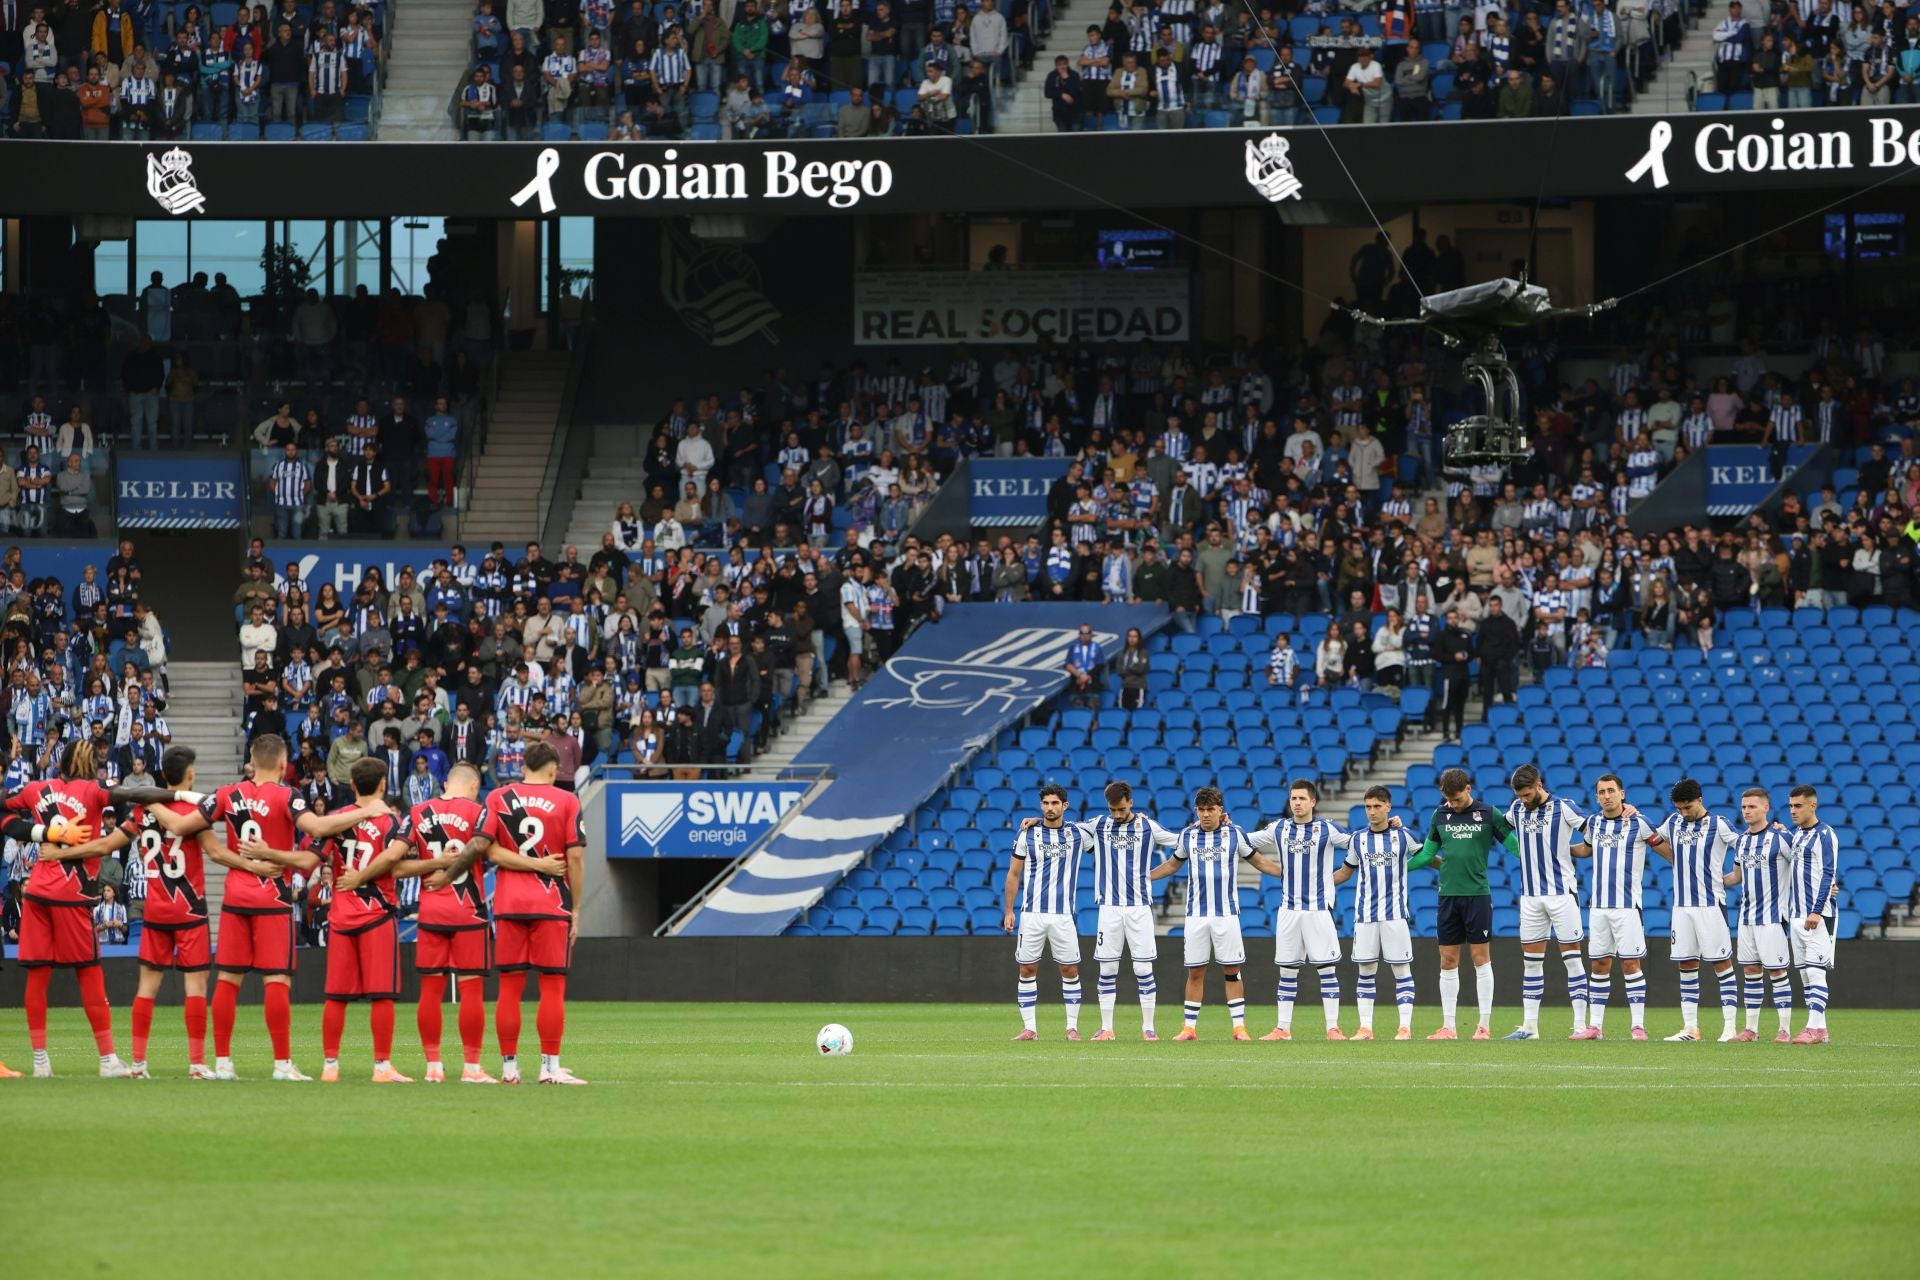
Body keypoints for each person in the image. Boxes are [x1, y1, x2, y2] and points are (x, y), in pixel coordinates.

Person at [146, 733, 369, 1080]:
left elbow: (177, 824)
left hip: (235, 897)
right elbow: (319, 827)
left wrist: (145, 797)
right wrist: (368, 810)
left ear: (251, 760)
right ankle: (281, 1064)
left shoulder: (226, 794)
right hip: (273, 898)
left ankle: (222, 1064)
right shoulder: (288, 796)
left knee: (228, 981)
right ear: (283, 764)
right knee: (276, 980)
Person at [3, 738, 194, 1077]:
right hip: (72, 895)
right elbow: (137, 794)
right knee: (90, 975)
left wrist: (37, 832)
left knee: (37, 978)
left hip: (37, 893)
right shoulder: (94, 790)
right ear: (90, 763)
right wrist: (179, 795)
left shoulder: (35, 788)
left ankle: (40, 1063)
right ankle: (107, 1060)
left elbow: (3, 807)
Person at [120, 746, 281, 1079]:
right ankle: (196, 1063)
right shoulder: (191, 811)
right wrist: (253, 866)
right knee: (195, 988)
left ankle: (138, 1064)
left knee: (146, 989)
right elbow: (217, 853)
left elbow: (111, 843)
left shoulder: (144, 810)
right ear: (189, 774)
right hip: (189, 909)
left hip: (154, 907)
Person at [435, 739, 587, 1084]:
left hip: (508, 904)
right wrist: (576, 908)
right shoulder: (566, 800)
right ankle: (549, 1068)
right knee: (552, 987)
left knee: (510, 988)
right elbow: (575, 858)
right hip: (552, 904)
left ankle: (508, 1068)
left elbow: (488, 851)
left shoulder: (497, 797)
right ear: (553, 770)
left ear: (523, 767)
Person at [1019, 780, 1177, 1040]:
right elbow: (1060, 825)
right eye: (1113, 810)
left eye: (1122, 810)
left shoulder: (1147, 825)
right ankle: (1107, 1029)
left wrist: (1205, 827)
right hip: (1109, 908)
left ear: (1131, 803)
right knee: (1107, 969)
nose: (1117, 815)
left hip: (1140, 908)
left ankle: (1149, 1028)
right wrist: (1038, 819)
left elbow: (1182, 843)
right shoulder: (1098, 824)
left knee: (1143, 969)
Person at [317, 756, 429, 1083]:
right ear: (382, 784)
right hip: (377, 913)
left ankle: (330, 1066)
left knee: (335, 996)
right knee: (382, 994)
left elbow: (315, 853)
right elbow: (394, 863)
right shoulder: (391, 821)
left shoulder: (336, 818)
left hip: (341, 914)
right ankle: (381, 1066)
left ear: (351, 784)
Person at [1146, 785, 1284, 1040]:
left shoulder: (1235, 834)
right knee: (1195, 971)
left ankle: (1239, 1027)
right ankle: (1189, 1028)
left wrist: (1287, 874)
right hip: (1196, 915)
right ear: (1196, 810)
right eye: (1201, 809)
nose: (1206, 814)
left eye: (1211, 809)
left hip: (1226, 915)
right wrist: (1144, 877)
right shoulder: (1188, 836)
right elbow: (1172, 865)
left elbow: (1260, 861)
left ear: (1221, 810)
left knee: (1231, 970)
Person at [1408, 767, 1516, 1040]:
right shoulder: (1439, 815)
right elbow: (1428, 854)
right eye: (1449, 800)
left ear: (1468, 788)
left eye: (1456, 799)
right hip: (1447, 897)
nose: (1453, 805)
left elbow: (1514, 845)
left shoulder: (1489, 814)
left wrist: (1537, 855)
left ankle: (1483, 1026)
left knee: (1481, 959)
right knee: (1447, 959)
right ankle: (1449, 1027)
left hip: (1478, 895)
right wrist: (1399, 868)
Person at [1247, 779, 1352, 1041]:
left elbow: (1360, 844)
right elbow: (1245, 840)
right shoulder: (1279, 828)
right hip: (1289, 910)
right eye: (1293, 798)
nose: (1296, 803)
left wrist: (1389, 827)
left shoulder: (1327, 829)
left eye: (1302, 798)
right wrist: (1221, 826)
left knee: (1326, 968)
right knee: (1287, 970)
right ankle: (1283, 1028)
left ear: (1313, 802)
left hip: (1318, 910)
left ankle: (1332, 1027)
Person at [1645, 778, 1741, 1042]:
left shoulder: (1719, 824)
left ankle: (1730, 1027)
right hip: (1682, 907)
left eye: (1688, 807)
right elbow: (1652, 837)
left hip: (1710, 905)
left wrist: (1736, 875)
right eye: (1679, 808)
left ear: (1700, 800)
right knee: (1686, 964)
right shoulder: (1673, 822)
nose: (1684, 813)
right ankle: (1690, 1028)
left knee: (1721, 963)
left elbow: (1745, 846)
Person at [1001, 783, 1098, 1041]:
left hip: (1063, 914)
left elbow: (1109, 828)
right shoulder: (1026, 835)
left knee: (1069, 970)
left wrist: (1139, 819)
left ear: (1065, 806)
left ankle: (1072, 1028)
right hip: (1031, 913)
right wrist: (1008, 910)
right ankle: (1030, 1028)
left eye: (1055, 803)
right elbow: (1013, 873)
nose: (1050, 808)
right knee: (1026, 969)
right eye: (1045, 803)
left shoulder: (1078, 834)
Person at [1501, 764, 1592, 1040]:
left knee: (1572, 958)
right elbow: (1492, 823)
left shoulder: (1563, 807)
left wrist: (1579, 850)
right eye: (1520, 796)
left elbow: (1593, 828)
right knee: (1531, 962)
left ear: (1539, 785)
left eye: (1528, 794)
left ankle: (1579, 1026)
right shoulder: (1516, 810)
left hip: (1562, 894)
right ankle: (1530, 1027)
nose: (1524, 800)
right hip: (1530, 897)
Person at [1331, 785, 1425, 1039]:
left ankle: (1404, 1027)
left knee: (1401, 970)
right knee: (1366, 971)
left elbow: (1427, 857)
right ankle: (1365, 1028)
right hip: (1365, 916)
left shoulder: (1405, 836)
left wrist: (1451, 868)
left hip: (1395, 914)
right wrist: (1319, 884)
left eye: (1377, 806)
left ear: (1388, 807)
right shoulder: (1357, 839)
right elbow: (1345, 871)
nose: (1372, 812)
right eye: (1368, 807)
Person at [1573, 774, 1657, 1041]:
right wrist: (1557, 848)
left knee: (1631, 964)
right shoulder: (1594, 823)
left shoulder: (1639, 822)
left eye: (1611, 791)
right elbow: (1586, 850)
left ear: (1622, 793)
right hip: (1598, 907)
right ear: (1596, 797)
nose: (1606, 796)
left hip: (1627, 907)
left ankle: (1638, 1026)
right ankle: (1595, 1026)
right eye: (1601, 792)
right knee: (1599, 964)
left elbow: (1666, 849)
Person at [1724, 786, 1797, 1042]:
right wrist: (1708, 881)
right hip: (1746, 918)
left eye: (1752, 806)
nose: (1746, 811)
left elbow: (1801, 866)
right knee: (1751, 973)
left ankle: (1784, 1030)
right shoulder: (1742, 840)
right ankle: (1751, 1030)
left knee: (1777, 972)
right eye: (1744, 807)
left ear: (1766, 808)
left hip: (1773, 918)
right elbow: (1735, 876)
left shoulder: (1781, 838)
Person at [1783, 783, 1837, 1044]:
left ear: (1812, 805)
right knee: (1805, 973)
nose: (1793, 810)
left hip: (1817, 914)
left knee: (1816, 971)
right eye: (1791, 805)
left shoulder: (1825, 834)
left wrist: (1817, 910)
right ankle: (1821, 1029)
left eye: (1798, 806)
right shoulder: (1797, 835)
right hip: (1796, 914)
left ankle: (1813, 1028)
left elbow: (1828, 873)